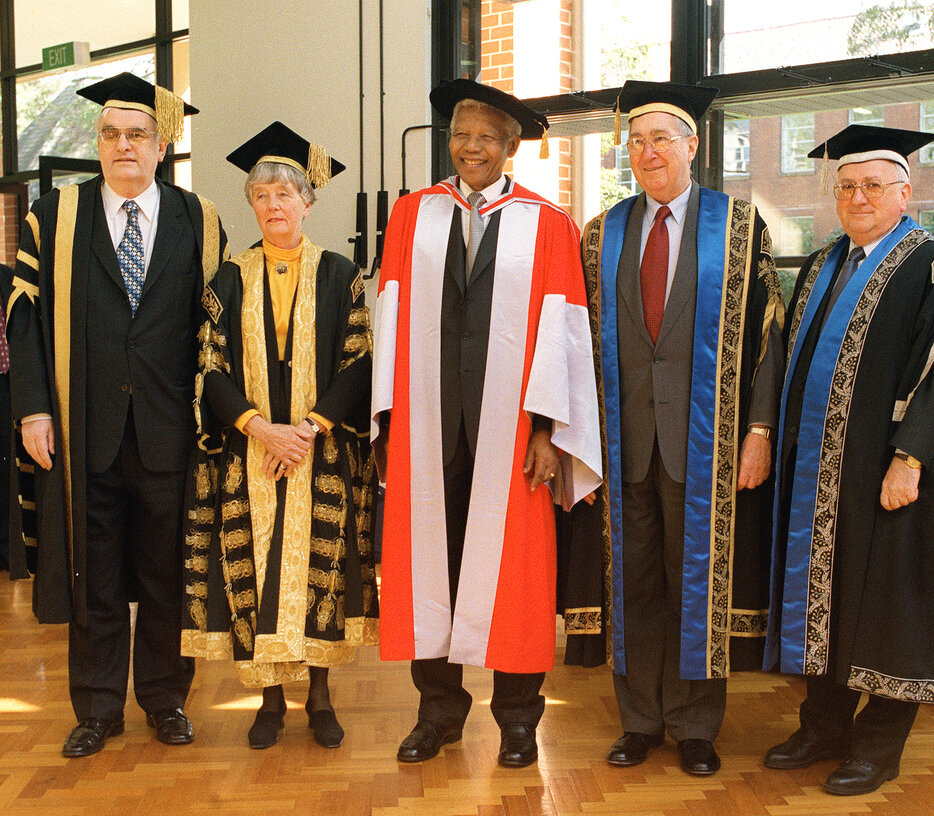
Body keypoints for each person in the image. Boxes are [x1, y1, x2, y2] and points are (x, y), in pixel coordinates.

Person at [371, 79, 601, 768]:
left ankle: (517, 720)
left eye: (485, 137)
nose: (471, 146)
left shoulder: (547, 221)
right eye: (461, 135)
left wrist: (546, 430)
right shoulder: (412, 214)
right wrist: (387, 421)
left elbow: (562, 336)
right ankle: (437, 713)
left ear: (509, 147)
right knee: (427, 563)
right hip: (426, 421)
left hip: (511, 432)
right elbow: (388, 316)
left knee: (516, 573)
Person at [4, 72, 227, 757]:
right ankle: (97, 707)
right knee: (92, 573)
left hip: (170, 430)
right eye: (110, 134)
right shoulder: (56, 215)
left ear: (161, 147)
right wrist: (33, 409)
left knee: (167, 573)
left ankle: (164, 700)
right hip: (83, 427)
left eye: (136, 135)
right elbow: (24, 317)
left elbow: (217, 328)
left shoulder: (199, 216)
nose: (122, 145)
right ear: (96, 144)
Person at [764, 125, 934, 796]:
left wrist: (908, 458)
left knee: (892, 606)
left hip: (891, 473)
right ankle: (821, 726)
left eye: (872, 186)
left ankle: (878, 747)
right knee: (821, 599)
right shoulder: (827, 261)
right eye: (846, 186)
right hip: (820, 476)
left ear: (904, 193)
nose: (857, 197)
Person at [577, 80, 784, 775]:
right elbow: (574, 343)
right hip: (622, 439)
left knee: (698, 582)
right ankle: (639, 720)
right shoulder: (600, 233)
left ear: (691, 146)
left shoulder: (737, 225)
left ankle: (695, 726)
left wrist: (758, 429)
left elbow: (768, 335)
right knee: (632, 586)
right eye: (635, 142)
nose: (646, 152)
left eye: (660, 139)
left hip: (707, 440)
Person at [180, 122, 379, 749]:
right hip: (250, 451)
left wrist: (311, 427)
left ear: (307, 202)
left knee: (321, 570)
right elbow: (208, 366)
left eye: (285, 195)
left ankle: (320, 697)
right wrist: (261, 428)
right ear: (252, 205)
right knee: (254, 571)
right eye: (262, 197)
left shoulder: (340, 273)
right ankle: (268, 701)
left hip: (321, 451)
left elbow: (359, 360)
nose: (273, 207)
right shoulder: (228, 279)